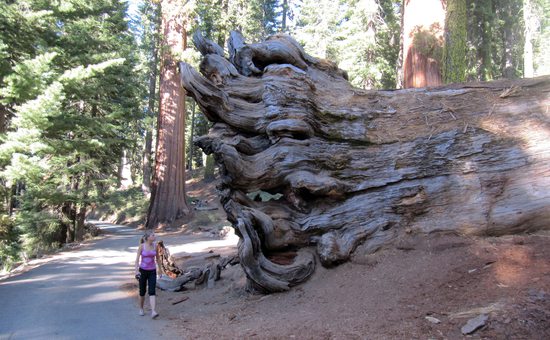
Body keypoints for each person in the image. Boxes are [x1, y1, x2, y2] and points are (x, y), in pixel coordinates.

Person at [135, 230, 162, 318]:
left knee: (152, 291)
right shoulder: (141, 246)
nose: (155, 237)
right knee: (142, 292)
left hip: (152, 271)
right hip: (142, 270)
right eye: (153, 235)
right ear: (148, 237)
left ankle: (153, 311)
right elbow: (137, 260)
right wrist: (136, 271)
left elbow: (157, 258)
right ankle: (141, 308)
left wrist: (160, 270)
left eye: (154, 235)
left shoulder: (156, 246)